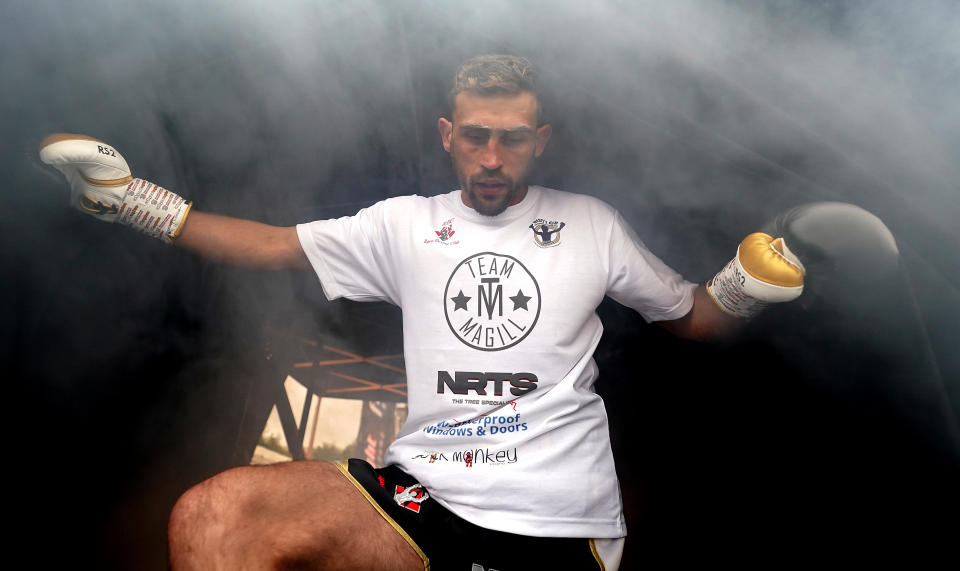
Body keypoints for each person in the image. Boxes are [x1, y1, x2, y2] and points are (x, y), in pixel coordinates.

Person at [39, 55, 807, 570]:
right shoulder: (404, 223)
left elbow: (696, 315)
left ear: (538, 141)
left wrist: (753, 280)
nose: (492, 158)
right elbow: (274, 245)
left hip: (559, 520)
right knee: (214, 516)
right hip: (426, 493)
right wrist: (129, 200)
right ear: (450, 136)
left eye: (511, 139)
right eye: (476, 137)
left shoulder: (593, 222)